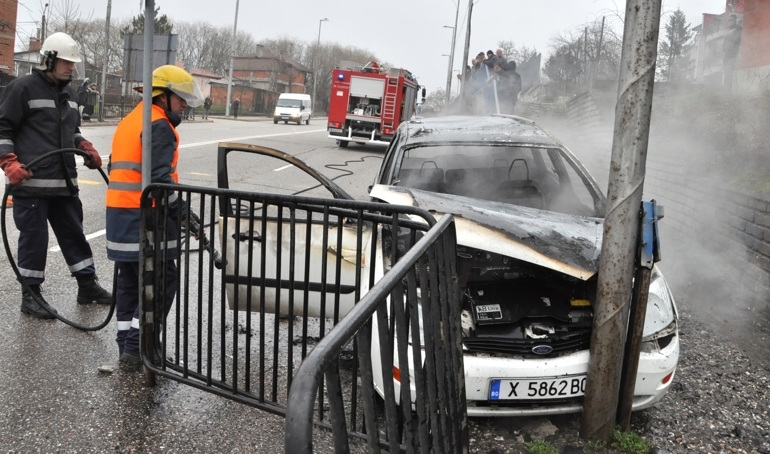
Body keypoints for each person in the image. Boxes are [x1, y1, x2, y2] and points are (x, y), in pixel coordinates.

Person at [0, 32, 112, 319]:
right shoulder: (22, 88)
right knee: (34, 240)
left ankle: (87, 286)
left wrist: (83, 145)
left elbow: (69, 130)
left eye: (73, 63)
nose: (70, 68)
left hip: (64, 183)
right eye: (65, 62)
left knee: (74, 234)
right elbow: (3, 129)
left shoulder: (70, 94)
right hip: (32, 183)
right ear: (49, 58)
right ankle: (31, 295)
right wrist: (8, 162)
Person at [106, 64, 203, 365]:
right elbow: (160, 181)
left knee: (130, 282)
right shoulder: (159, 125)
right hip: (145, 216)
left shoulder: (132, 119)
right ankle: (139, 346)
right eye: (181, 97)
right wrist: (182, 213)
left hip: (120, 213)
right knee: (163, 279)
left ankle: (127, 344)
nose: (185, 104)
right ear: (163, 96)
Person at [722, 14, 742, 88]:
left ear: (735, 21)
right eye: (729, 21)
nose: (730, 22)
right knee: (726, 72)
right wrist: (724, 48)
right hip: (726, 55)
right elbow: (724, 43)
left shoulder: (738, 29)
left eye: (731, 21)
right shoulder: (728, 31)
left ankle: (730, 88)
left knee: (731, 71)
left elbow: (737, 40)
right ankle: (726, 88)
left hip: (733, 54)